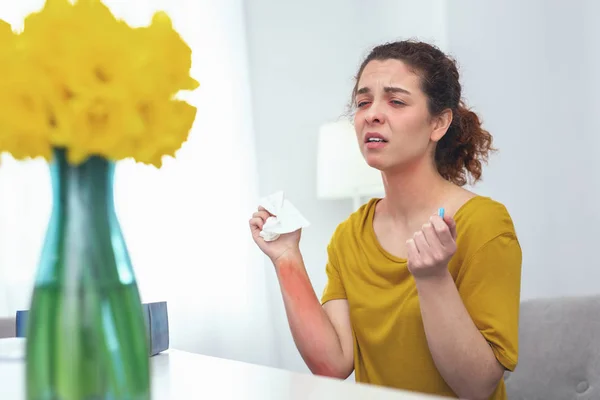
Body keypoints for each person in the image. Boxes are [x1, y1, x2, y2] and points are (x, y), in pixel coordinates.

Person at [249, 40, 522, 400]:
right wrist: (287, 258)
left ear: (438, 123)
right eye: (363, 102)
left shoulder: (485, 224)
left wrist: (433, 277)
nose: (371, 114)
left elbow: (477, 386)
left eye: (396, 101)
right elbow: (333, 364)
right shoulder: (351, 234)